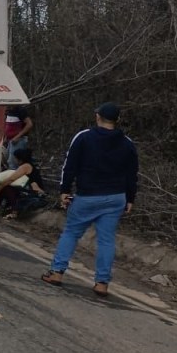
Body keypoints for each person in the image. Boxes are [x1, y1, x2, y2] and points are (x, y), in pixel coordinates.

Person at [41, 102, 138, 296]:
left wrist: (64, 190)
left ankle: (57, 272)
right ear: (117, 120)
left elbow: (70, 166)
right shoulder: (127, 143)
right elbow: (131, 174)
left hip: (88, 195)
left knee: (71, 233)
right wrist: (130, 198)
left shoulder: (84, 137)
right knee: (106, 240)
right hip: (116, 197)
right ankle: (102, 283)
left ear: (97, 117)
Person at [0, 146, 46, 219]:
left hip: (34, 193)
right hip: (30, 190)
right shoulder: (28, 165)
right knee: (5, 186)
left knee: (7, 187)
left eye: (15, 158)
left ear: (20, 159)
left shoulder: (26, 166)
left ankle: (14, 211)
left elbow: (11, 179)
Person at [4, 104, 33, 169]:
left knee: (13, 163)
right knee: (7, 159)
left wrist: (18, 136)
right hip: (10, 140)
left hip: (19, 140)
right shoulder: (9, 111)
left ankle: (15, 177)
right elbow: (8, 125)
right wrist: (6, 137)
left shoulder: (20, 110)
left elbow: (29, 124)